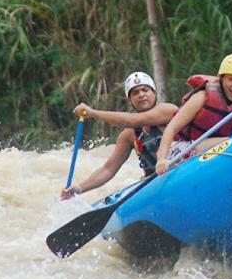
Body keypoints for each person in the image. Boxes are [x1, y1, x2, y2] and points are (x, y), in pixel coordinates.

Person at [60, 71, 178, 200]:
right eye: (135, 93)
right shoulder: (129, 135)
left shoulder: (167, 111)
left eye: (145, 90)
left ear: (154, 93)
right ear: (130, 100)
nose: (141, 95)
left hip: (177, 172)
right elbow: (108, 169)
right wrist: (79, 188)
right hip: (154, 182)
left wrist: (93, 113)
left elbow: (132, 120)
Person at [154, 54, 232, 174]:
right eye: (231, 79)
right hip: (183, 148)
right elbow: (171, 127)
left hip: (215, 151)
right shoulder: (202, 97)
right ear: (222, 78)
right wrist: (161, 159)